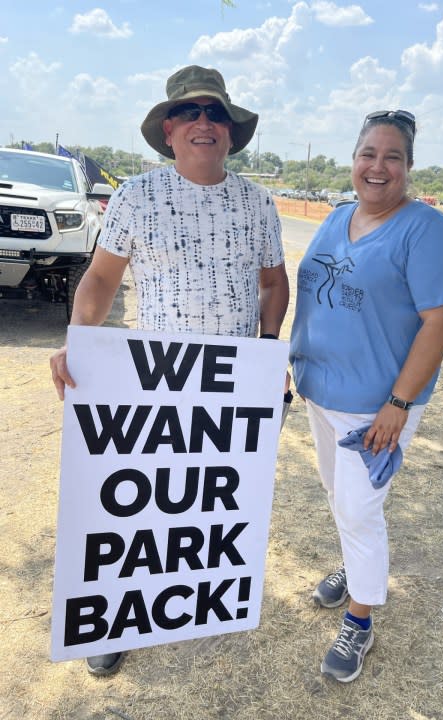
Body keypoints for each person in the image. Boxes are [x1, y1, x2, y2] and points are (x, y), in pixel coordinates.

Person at [50, 64, 289, 677]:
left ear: (231, 132)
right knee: (139, 502)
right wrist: (79, 342)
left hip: (227, 387)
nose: (204, 123)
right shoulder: (136, 194)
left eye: (216, 113)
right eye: (190, 113)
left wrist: (266, 351)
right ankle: (115, 621)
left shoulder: (258, 203)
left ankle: (198, 602)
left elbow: (272, 284)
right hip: (151, 380)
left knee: (211, 501)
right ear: (169, 129)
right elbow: (102, 279)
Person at [289, 110, 443, 683]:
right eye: (368, 153)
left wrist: (400, 403)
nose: (378, 166)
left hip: (376, 406)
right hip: (320, 391)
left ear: (409, 167)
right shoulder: (336, 218)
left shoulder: (425, 228)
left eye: (392, 156)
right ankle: (350, 565)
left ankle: (360, 622)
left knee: (360, 510)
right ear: (353, 159)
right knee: (337, 495)